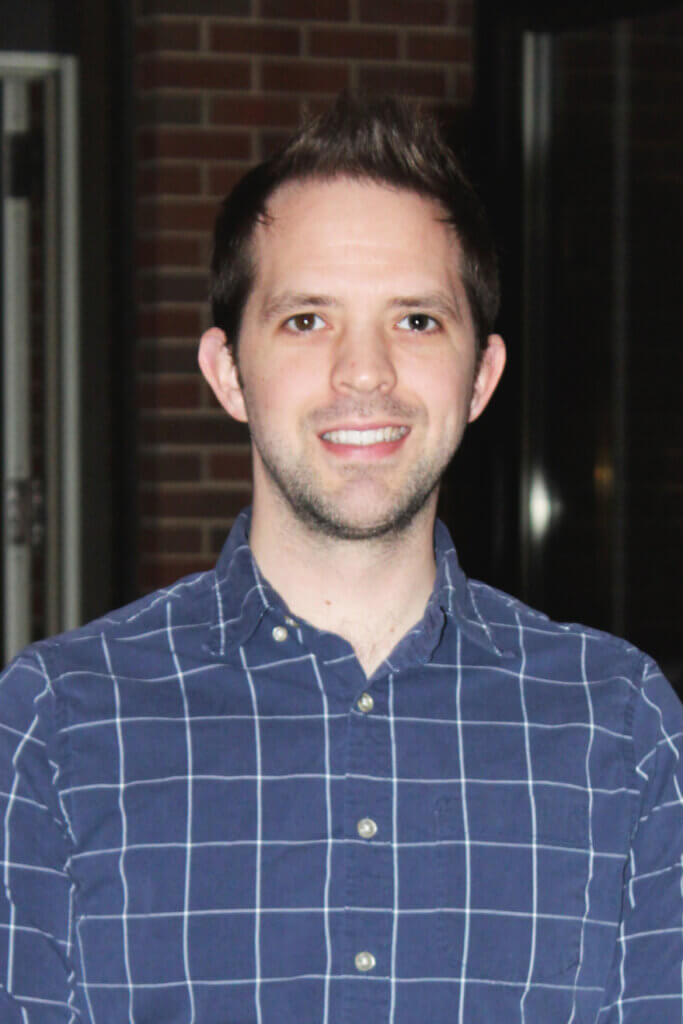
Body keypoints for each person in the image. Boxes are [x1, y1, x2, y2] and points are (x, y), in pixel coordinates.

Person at [0, 93, 681, 1024]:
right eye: (307, 320)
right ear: (226, 371)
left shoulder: (619, 729)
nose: (364, 374)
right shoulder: (60, 727)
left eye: (414, 321)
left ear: (478, 376)